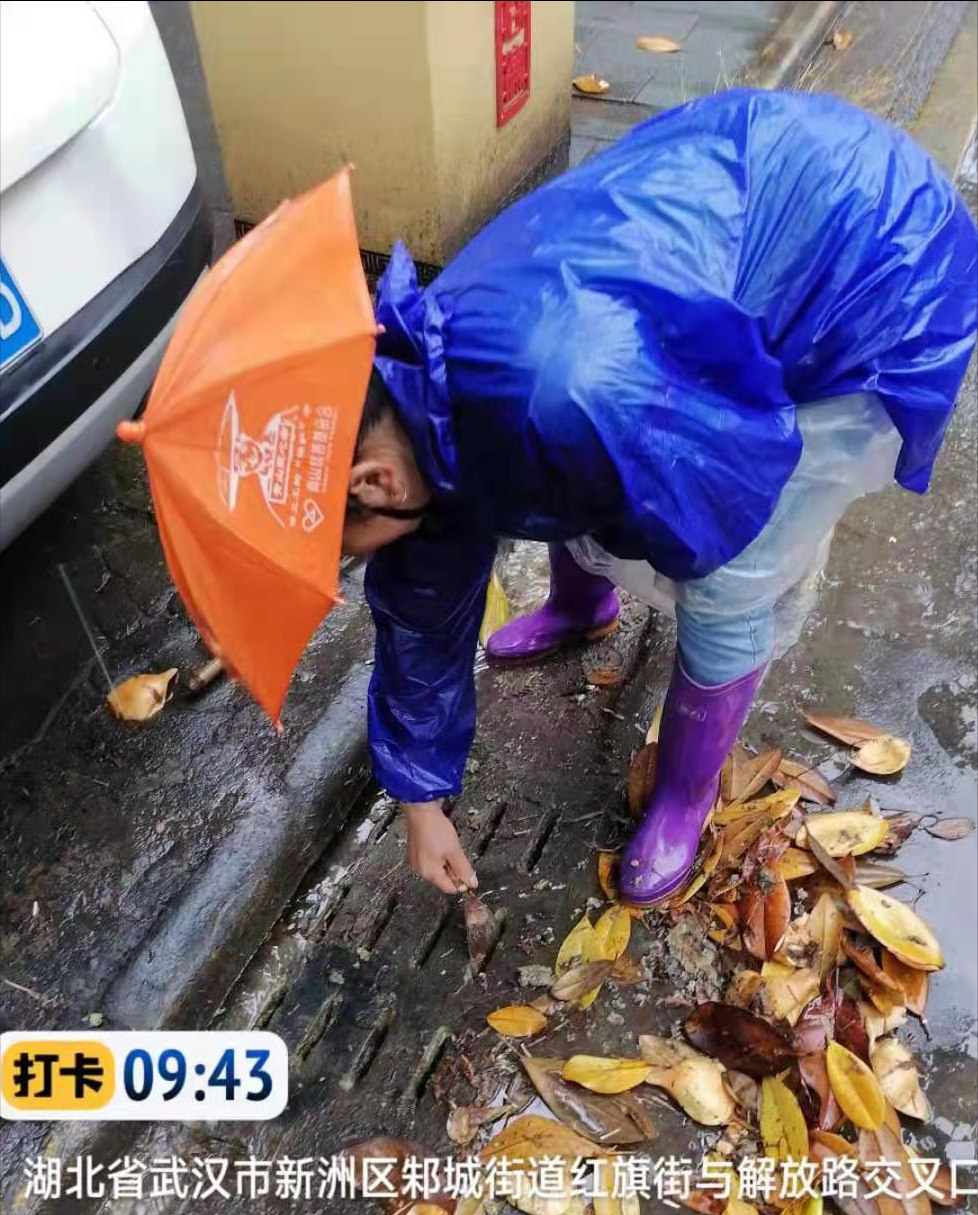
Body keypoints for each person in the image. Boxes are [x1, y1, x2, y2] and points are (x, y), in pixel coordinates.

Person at [340, 90, 977, 906]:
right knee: (563, 480)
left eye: (336, 546)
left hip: (875, 261)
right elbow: (425, 587)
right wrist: (421, 800)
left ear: (372, 483)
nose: (346, 567)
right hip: (714, 219)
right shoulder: (412, 385)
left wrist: (691, 556)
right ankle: (584, 609)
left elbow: (725, 485)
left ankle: (684, 793)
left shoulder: (561, 394)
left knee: (726, 572)